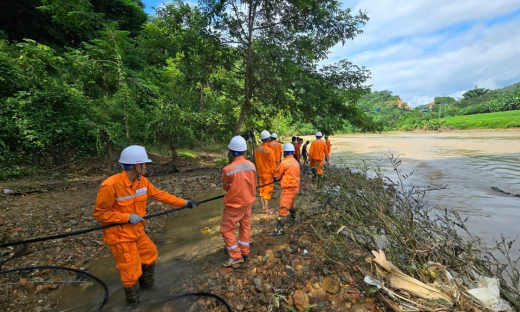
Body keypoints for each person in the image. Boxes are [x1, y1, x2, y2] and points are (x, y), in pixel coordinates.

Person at [93, 145, 199, 304]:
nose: (146, 167)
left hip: (137, 232)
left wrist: (184, 203)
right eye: (145, 164)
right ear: (137, 166)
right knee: (130, 272)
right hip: (120, 236)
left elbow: (161, 195)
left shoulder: (142, 182)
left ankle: (148, 291)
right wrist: (127, 217)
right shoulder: (110, 185)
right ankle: (134, 304)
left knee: (150, 254)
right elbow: (99, 213)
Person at [221, 136, 257, 267]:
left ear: (231, 151)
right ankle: (244, 251)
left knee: (226, 230)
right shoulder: (252, 166)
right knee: (245, 227)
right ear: (244, 151)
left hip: (234, 206)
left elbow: (226, 187)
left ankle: (236, 256)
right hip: (248, 203)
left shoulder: (228, 170)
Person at [270, 143, 300, 236]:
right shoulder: (295, 161)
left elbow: (279, 175)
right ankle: (293, 220)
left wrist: (275, 178)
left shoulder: (284, 162)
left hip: (288, 188)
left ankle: (279, 230)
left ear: (284, 152)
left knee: (283, 208)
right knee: (292, 205)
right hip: (295, 188)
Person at [255, 130, 278, 214]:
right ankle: (267, 210)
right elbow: (273, 165)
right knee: (267, 191)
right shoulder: (269, 150)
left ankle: (264, 207)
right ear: (268, 138)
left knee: (262, 190)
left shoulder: (257, 150)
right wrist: (275, 175)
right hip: (268, 174)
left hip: (260, 173)